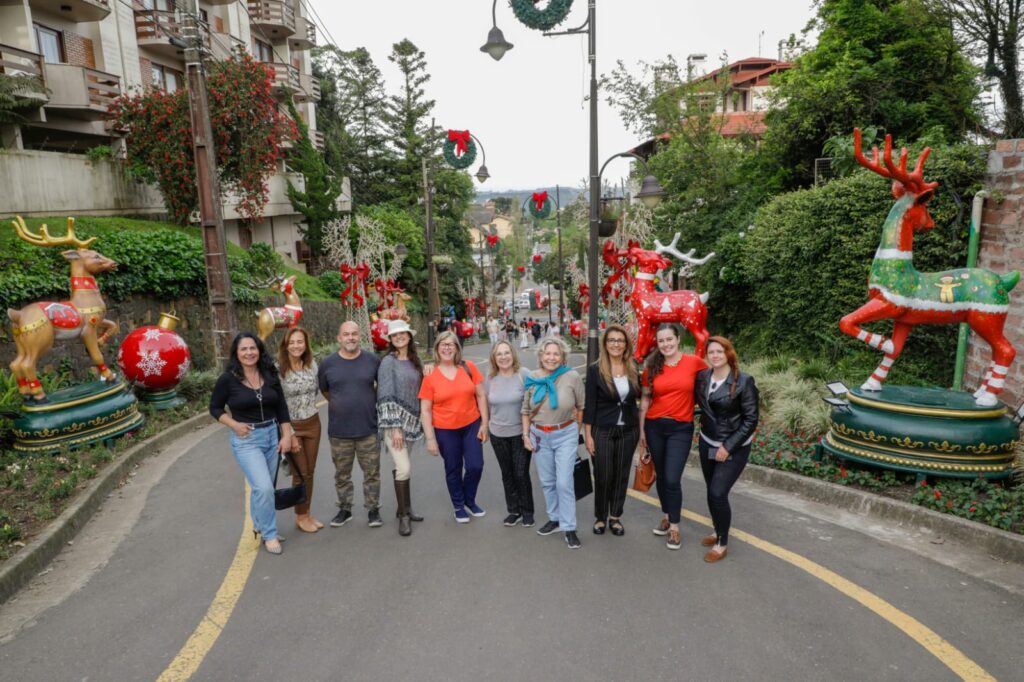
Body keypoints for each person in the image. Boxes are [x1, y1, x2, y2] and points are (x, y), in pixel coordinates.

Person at [210, 333, 294, 555]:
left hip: (272, 435)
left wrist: (286, 435)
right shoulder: (228, 379)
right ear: (236, 354)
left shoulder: (270, 373)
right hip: (247, 439)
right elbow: (215, 408)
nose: (249, 353)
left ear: (259, 350)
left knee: (263, 488)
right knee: (264, 487)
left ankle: (260, 525)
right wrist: (233, 424)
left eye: (253, 348)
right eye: (243, 349)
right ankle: (270, 534)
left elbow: (281, 406)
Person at [639, 323, 707, 551]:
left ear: (678, 339)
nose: (666, 344)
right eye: (661, 341)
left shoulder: (694, 363)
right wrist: (642, 431)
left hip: (681, 428)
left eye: (669, 339)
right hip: (654, 426)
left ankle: (675, 528)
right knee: (660, 475)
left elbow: (712, 381)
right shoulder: (652, 365)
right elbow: (646, 400)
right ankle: (666, 515)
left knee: (672, 478)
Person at [694, 336, 759, 563]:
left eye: (719, 352)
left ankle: (722, 542)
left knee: (718, 493)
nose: (715, 356)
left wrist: (728, 446)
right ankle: (716, 528)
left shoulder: (744, 381)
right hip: (706, 441)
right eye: (711, 352)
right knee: (710, 489)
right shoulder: (703, 377)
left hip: (734, 446)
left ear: (728, 353)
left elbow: (751, 419)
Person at [419, 331, 490, 523]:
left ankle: (469, 499)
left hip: (471, 424)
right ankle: (459, 505)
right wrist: (430, 438)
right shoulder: (430, 374)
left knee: (476, 466)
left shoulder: (468, 367)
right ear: (437, 348)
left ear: (457, 348)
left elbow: (481, 395)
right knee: (453, 468)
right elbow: (425, 409)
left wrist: (484, 423)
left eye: (451, 344)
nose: (447, 348)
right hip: (445, 430)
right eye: (443, 344)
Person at [522, 338, 585, 549]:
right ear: (540, 356)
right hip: (539, 435)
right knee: (548, 481)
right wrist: (525, 435)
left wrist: (576, 429)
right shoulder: (532, 377)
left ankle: (569, 527)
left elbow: (581, 405)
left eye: (556, 354)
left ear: (562, 356)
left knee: (564, 482)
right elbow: (526, 410)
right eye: (547, 353)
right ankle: (555, 519)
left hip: (565, 433)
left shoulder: (572, 376)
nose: (551, 357)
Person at [319, 321, 382, 529]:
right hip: (339, 432)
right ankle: (345, 509)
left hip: (368, 428)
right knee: (342, 474)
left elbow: (379, 387)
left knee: (372, 473)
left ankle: (373, 510)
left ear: (359, 336)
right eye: (346, 334)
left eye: (354, 334)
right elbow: (326, 391)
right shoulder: (328, 364)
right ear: (339, 338)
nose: (351, 338)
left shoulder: (373, 360)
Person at [583, 325, 640, 537]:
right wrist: (588, 435)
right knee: (603, 475)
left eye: (620, 340)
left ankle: (615, 516)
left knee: (621, 475)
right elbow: (590, 405)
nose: (616, 344)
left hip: (629, 430)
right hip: (603, 430)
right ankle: (600, 516)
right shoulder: (595, 369)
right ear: (605, 344)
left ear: (626, 345)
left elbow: (639, 399)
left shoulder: (633, 367)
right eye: (612, 340)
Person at [377, 319, 427, 537]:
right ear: (390, 339)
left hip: (413, 422)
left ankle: (403, 509)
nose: (399, 337)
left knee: (402, 467)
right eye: (394, 335)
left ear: (409, 336)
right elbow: (385, 394)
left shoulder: (416, 361)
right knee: (404, 468)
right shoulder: (388, 362)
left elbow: (424, 385)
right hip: (394, 424)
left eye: (402, 334)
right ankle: (404, 517)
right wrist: (395, 427)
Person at [277, 327, 322, 534]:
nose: (296, 346)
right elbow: (277, 404)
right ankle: (300, 516)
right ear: (285, 345)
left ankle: (307, 512)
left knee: (310, 472)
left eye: (300, 342)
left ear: (306, 344)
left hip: (313, 423)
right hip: (292, 427)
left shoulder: (312, 365)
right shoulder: (278, 369)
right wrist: (288, 433)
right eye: (292, 342)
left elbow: (316, 392)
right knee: (300, 472)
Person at [486, 340, 535, 527]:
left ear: (513, 354)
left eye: (507, 353)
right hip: (498, 434)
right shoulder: (490, 378)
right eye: (499, 354)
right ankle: (513, 510)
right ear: (494, 358)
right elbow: (486, 404)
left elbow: (536, 400)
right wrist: (485, 426)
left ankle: (527, 510)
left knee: (521, 473)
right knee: (507, 473)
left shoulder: (524, 374)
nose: (504, 357)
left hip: (520, 433)